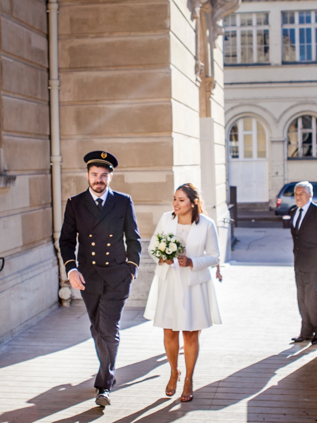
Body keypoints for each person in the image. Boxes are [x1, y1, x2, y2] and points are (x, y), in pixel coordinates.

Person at [58, 151, 142, 408]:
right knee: (97, 328)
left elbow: (134, 239)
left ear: (110, 177)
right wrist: (71, 269)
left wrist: (131, 269)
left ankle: (104, 383)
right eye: (95, 175)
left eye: (104, 175)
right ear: (87, 175)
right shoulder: (75, 203)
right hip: (89, 277)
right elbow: (67, 240)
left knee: (108, 328)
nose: (99, 180)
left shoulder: (123, 202)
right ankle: (107, 372)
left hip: (117, 276)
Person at [143, 184, 221, 402]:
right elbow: (152, 246)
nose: (175, 204)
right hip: (169, 282)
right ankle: (173, 371)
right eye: (174, 199)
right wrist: (162, 257)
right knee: (169, 331)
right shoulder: (166, 219)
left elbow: (215, 256)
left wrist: (193, 261)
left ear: (193, 202)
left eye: (181, 200)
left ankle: (188, 379)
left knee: (190, 333)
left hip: (193, 285)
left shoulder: (207, 224)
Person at [288, 181, 317, 344]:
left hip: (314, 263)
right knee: (301, 298)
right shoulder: (294, 212)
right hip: (299, 263)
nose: (298, 197)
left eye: (302, 194)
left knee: (311, 299)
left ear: (310, 195)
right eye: (296, 194)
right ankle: (306, 332)